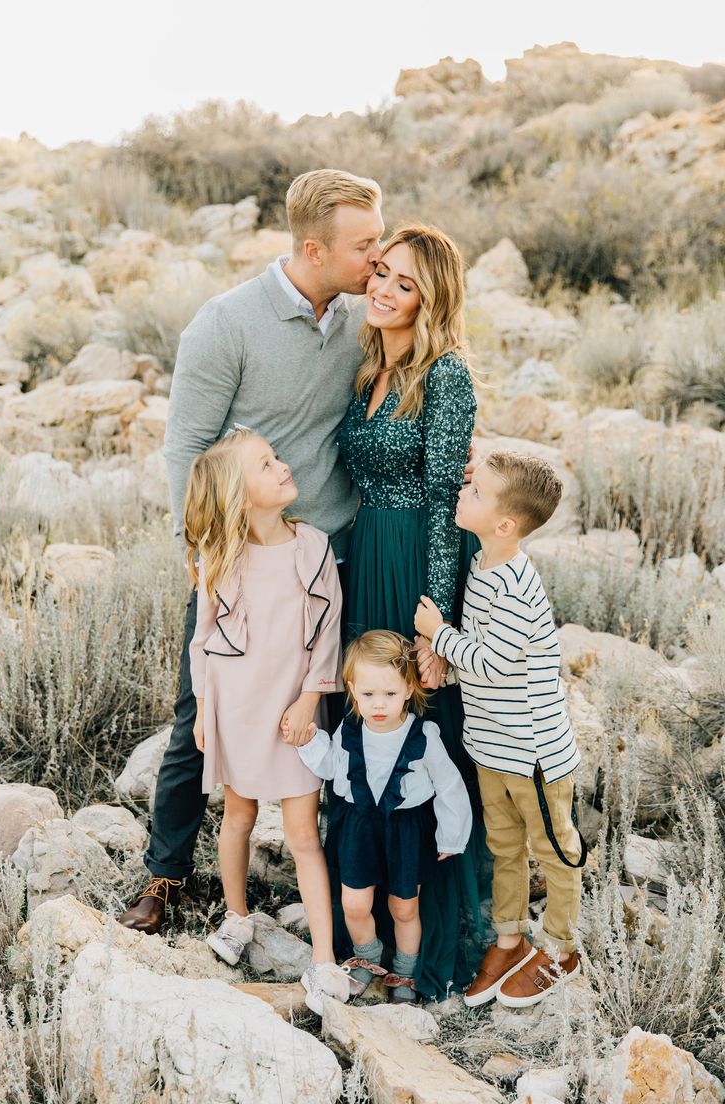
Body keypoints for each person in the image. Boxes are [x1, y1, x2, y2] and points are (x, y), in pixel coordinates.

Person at [117, 169, 384, 935]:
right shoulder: (225, 323)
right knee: (200, 714)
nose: (376, 256)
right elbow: (187, 450)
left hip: (330, 551)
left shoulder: (362, 318)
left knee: (331, 710)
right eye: (364, 246)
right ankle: (165, 875)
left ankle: (338, 880)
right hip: (238, 561)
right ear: (314, 248)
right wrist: (199, 556)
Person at [337, 224, 492, 1000]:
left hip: (419, 568)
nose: (385, 289)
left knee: (428, 745)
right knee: (367, 730)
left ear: (431, 300)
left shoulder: (447, 374)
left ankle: (433, 948)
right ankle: (358, 926)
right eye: (382, 273)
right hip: (367, 554)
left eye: (405, 284)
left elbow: (442, 503)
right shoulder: (368, 362)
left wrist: (436, 628)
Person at [184, 427, 354, 1012]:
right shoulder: (221, 559)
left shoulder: (312, 546)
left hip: (294, 709)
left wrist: (311, 701)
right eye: (265, 465)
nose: (283, 467)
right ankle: (237, 918)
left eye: (276, 457)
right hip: (237, 705)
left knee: (304, 833)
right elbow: (202, 643)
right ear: (239, 494)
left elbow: (327, 633)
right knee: (238, 816)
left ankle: (326, 960)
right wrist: (205, 710)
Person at [414, 450, 586, 1009]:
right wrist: (445, 658)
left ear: (505, 524)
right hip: (491, 745)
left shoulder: (517, 585)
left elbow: (492, 662)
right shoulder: (481, 568)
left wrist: (438, 635)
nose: (464, 492)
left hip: (533, 752)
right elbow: (476, 664)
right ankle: (510, 939)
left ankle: (560, 949)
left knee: (554, 848)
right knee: (504, 846)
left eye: (477, 492)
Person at [297, 630, 472, 1007]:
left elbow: (450, 786)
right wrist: (308, 741)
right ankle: (368, 955)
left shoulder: (423, 734)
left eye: (390, 694)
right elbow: (331, 766)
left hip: (406, 830)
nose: (379, 704)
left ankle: (405, 971)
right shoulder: (350, 729)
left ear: (409, 689)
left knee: (404, 908)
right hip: (358, 828)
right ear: (352, 689)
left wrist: (451, 837)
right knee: (355, 904)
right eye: (369, 694)